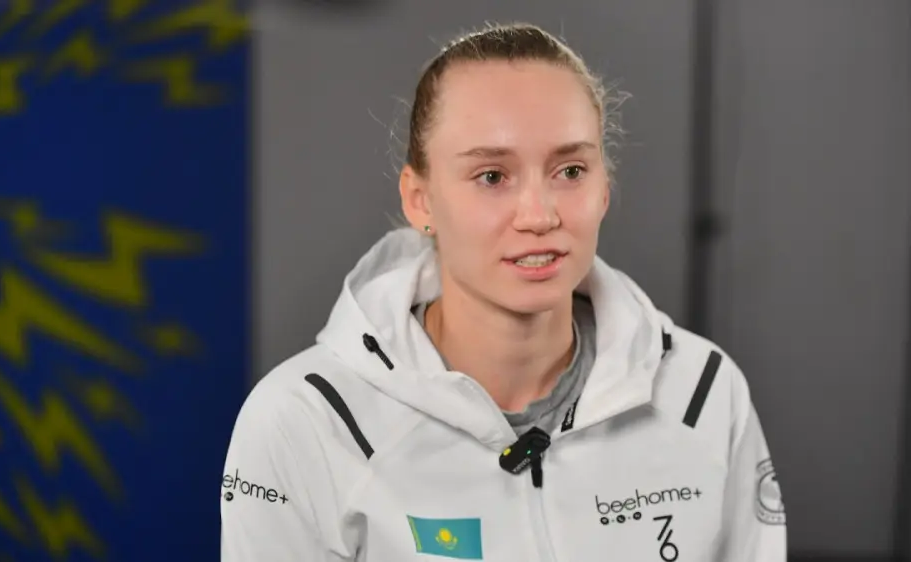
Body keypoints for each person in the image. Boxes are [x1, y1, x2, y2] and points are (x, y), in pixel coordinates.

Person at [221, 22, 787, 562]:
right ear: (420, 200)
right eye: (492, 176)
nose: (539, 216)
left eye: (570, 171)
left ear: (604, 189)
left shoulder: (703, 392)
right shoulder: (304, 420)